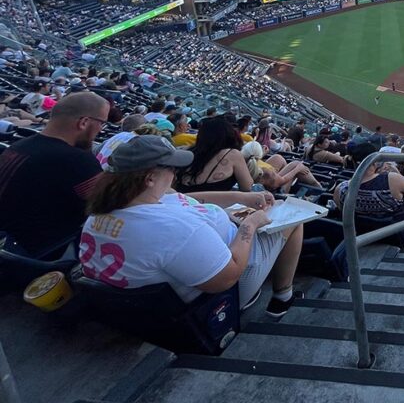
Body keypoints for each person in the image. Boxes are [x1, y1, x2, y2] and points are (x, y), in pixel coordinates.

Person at [80, 135, 303, 317]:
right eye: (171, 168)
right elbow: (228, 277)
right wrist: (250, 225)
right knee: (296, 218)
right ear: (149, 178)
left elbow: (183, 197)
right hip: (229, 287)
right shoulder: (172, 229)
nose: (175, 173)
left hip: (202, 257)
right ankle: (283, 298)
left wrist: (241, 198)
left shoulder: (116, 204)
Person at [0, 92, 110, 256]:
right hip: (34, 257)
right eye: (101, 123)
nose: (100, 130)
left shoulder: (19, 145)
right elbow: (109, 204)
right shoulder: (76, 160)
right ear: (84, 122)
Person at [177, 116, 253, 193]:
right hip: (207, 203)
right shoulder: (232, 154)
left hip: (179, 198)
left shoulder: (188, 150)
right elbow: (247, 187)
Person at [241, 142, 321, 192]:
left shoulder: (244, 164)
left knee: (277, 157)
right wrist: (297, 169)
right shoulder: (265, 172)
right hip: (276, 188)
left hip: (269, 180)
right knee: (296, 164)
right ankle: (319, 188)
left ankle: (294, 182)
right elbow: (281, 180)